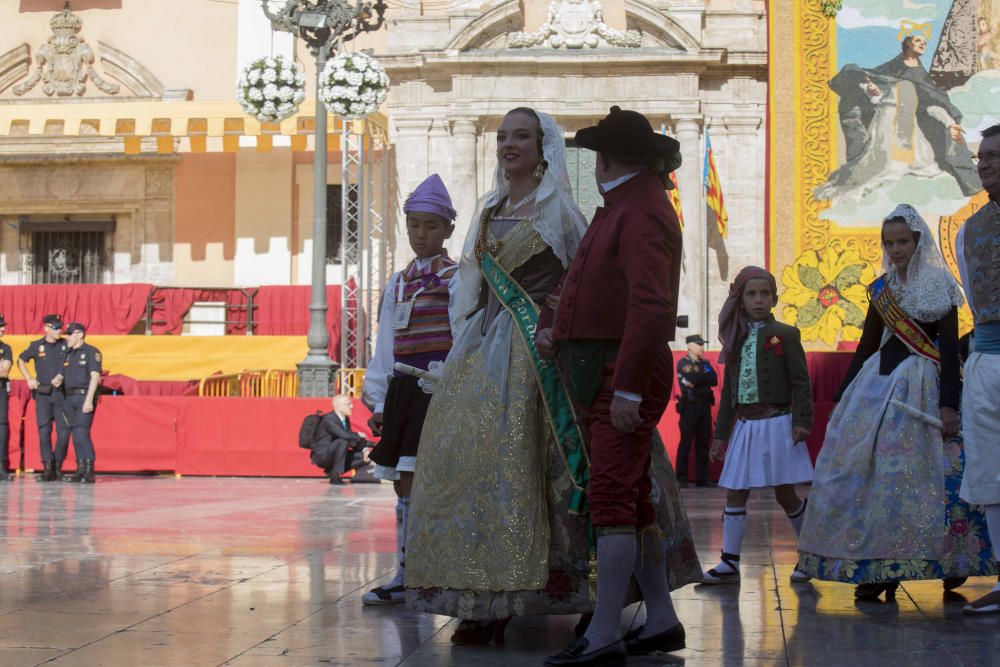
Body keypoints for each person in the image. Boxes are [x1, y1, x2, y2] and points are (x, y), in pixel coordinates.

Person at [404, 107, 591, 644]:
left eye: (522, 136)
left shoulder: (560, 211)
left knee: (547, 470)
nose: (510, 145)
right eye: (503, 136)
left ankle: (585, 592)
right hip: (485, 354)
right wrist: (464, 340)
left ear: (542, 146)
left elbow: (580, 283)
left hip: (543, 358)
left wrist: (558, 332)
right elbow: (470, 284)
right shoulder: (488, 209)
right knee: (482, 469)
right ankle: (489, 596)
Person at [540, 106, 686, 666]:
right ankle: (662, 619)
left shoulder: (642, 208)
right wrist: (561, 328)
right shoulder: (628, 203)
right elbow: (597, 289)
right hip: (605, 369)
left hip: (620, 374)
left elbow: (650, 307)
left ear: (605, 159)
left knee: (611, 500)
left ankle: (603, 631)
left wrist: (627, 389)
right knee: (633, 499)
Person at [797, 204, 995, 601]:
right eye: (889, 242)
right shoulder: (881, 289)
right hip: (879, 388)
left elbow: (951, 355)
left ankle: (951, 563)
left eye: (903, 241)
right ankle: (878, 567)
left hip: (927, 388)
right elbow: (866, 346)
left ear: (918, 240)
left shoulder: (940, 287)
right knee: (878, 478)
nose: (896, 248)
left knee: (941, 477)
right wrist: (842, 398)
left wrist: (949, 407)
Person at [359, 173, 458, 606]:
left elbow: (464, 336)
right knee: (404, 480)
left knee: (436, 479)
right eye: (415, 225)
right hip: (404, 391)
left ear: (448, 230)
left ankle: (440, 569)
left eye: (431, 226)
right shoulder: (399, 282)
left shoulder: (458, 279)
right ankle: (406, 571)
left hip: (439, 390)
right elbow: (386, 343)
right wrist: (379, 398)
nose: (421, 234)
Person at [700, 267, 814, 587]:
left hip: (778, 423)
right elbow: (728, 394)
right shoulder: (735, 339)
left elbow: (800, 382)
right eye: (752, 294)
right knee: (736, 491)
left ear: (775, 298)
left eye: (765, 294)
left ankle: (809, 555)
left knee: (785, 493)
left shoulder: (785, 334)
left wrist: (802, 421)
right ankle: (730, 562)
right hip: (746, 426)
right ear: (740, 299)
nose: (759, 299)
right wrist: (721, 435)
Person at [818, 33, 981, 202]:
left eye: (925, 42)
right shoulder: (891, 69)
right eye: (918, 41)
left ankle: (973, 167)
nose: (923, 44)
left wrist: (950, 122)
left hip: (920, 123)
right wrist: (868, 85)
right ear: (907, 44)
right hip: (891, 129)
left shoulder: (921, 75)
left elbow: (933, 101)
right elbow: (865, 79)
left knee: (954, 145)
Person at [956, 124, 1000, 615]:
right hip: (987, 357)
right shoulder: (971, 227)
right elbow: (972, 294)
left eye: (995, 156)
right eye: (981, 157)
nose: (985, 164)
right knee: (989, 474)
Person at [17, 314, 70, 482]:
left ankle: (58, 466)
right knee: (44, 432)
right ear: (46, 328)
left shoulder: (66, 345)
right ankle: (47, 468)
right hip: (43, 394)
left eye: (60, 327)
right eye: (55, 328)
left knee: (63, 432)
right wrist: (29, 378)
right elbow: (21, 360)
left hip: (62, 394)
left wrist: (62, 375)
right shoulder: (36, 346)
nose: (59, 331)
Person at [59, 323, 102, 484]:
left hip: (83, 396)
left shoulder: (91, 352)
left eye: (70, 334)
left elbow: (95, 377)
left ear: (80, 334)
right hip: (68, 398)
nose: (67, 337)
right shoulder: (68, 354)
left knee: (81, 433)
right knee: (75, 435)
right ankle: (80, 469)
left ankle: (89, 470)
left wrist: (89, 399)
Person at [675, 333, 717, 488]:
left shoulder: (705, 363)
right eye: (698, 344)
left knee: (703, 443)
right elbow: (692, 377)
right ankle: (681, 478)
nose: (701, 347)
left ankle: (703, 479)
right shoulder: (683, 363)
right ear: (689, 346)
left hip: (704, 407)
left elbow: (714, 379)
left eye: (702, 344)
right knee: (685, 443)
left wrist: (697, 380)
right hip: (690, 407)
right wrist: (699, 379)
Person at [312, 395, 367, 485]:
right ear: (339, 406)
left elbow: (351, 440)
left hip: (337, 452)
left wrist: (364, 449)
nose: (351, 406)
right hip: (323, 455)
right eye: (349, 404)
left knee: (363, 457)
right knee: (342, 441)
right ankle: (336, 475)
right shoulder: (329, 419)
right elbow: (343, 435)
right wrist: (359, 434)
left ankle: (332, 471)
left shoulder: (345, 419)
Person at [0, 314, 12, 482]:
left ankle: (1, 465)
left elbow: (4, 371)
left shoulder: (6, 348)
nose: (3, 329)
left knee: (1, 427)